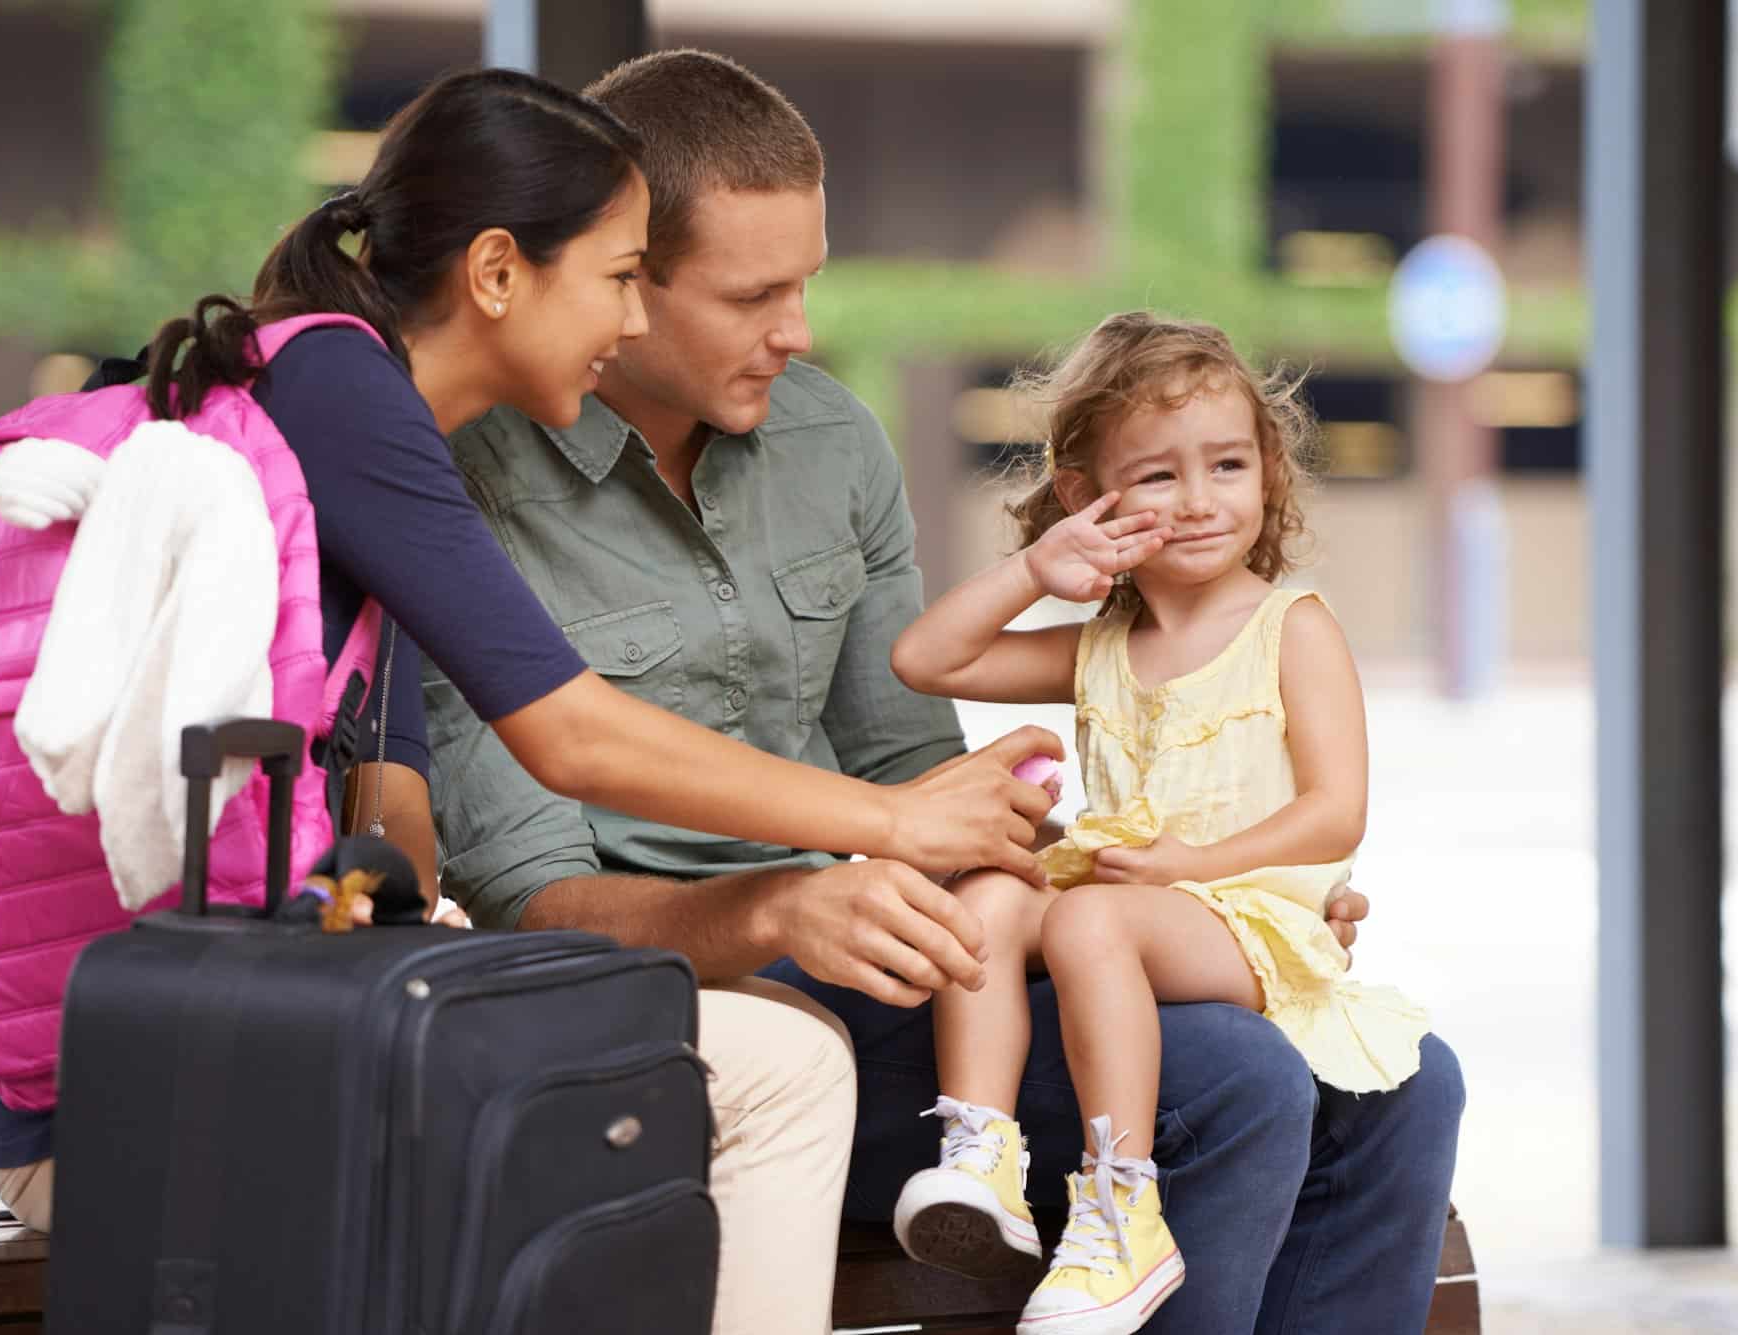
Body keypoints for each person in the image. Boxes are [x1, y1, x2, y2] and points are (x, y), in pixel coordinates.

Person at [425, 49, 1462, 1335]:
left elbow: (916, 773)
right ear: (631, 283)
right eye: (753, 296)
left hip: (912, 975)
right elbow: (534, 899)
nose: (797, 332)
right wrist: (787, 906)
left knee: (1397, 1081)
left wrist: (1228, 899)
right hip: (720, 1014)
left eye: (804, 282)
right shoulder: (467, 484)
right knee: (1235, 1084)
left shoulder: (825, 438)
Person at [0, 67, 1052, 1236]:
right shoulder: (338, 392)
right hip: (147, 1087)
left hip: (165, 1043)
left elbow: (394, 804)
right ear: (494, 274)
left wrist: (405, 909)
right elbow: (569, 734)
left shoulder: (357, 423)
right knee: (783, 1064)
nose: (630, 320)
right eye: (621, 279)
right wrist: (882, 827)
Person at [887, 313, 1434, 1334]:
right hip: (1138, 902)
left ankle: (1120, 1207)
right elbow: (928, 661)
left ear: (1267, 470)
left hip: (1251, 922)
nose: (1194, 503)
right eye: (1152, 477)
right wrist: (1033, 570)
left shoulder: (1289, 628)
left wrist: (1195, 861)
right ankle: (979, 1157)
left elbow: (1334, 811)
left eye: (1224, 465)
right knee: (991, 892)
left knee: (1087, 921)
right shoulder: (1101, 646)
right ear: (1082, 496)